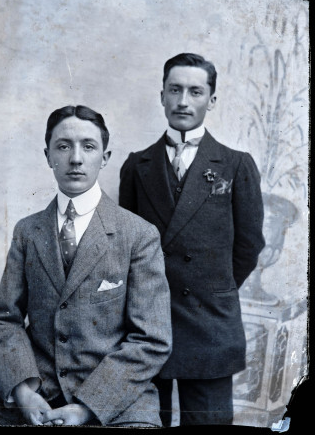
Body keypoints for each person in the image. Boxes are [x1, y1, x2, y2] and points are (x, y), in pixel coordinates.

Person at [0, 105, 172, 427]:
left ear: (105, 157)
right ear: (48, 156)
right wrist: (24, 391)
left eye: (88, 146)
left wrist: (87, 408)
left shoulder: (138, 235)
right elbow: (4, 319)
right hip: (35, 378)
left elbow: (151, 340)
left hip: (111, 390)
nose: (76, 158)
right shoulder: (28, 231)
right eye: (63, 146)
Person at [119, 53, 265, 426]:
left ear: (211, 100)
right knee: (146, 421)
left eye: (195, 91)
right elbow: (128, 247)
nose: (183, 101)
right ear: (162, 96)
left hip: (211, 325)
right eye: (175, 90)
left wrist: (212, 287)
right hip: (150, 326)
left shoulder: (235, 164)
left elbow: (248, 246)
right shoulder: (137, 166)